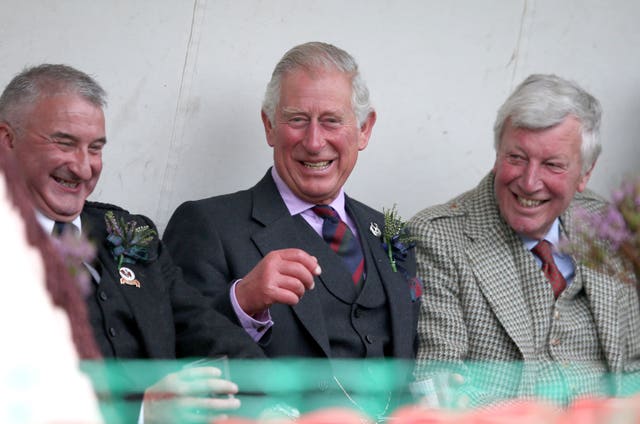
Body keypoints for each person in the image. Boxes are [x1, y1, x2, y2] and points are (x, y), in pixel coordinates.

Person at [0, 64, 266, 423]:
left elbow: (208, 332)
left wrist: (277, 405)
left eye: (94, 149)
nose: (82, 167)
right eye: (64, 144)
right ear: (7, 141)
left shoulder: (128, 231)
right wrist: (141, 414)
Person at [164, 42, 421, 361]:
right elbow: (174, 352)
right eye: (297, 119)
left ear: (364, 130)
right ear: (269, 125)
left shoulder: (394, 232)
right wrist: (243, 303)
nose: (314, 143)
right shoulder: (207, 225)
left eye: (331, 120)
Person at [408, 74, 640, 407]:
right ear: (497, 153)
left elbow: (633, 366)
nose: (530, 183)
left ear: (585, 174)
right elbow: (437, 387)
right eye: (516, 158)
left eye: (552, 165)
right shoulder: (438, 236)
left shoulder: (607, 228)